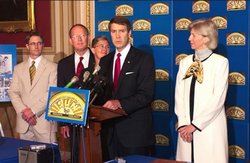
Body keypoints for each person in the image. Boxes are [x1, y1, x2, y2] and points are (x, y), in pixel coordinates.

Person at [99, 16, 155, 160]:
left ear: (129, 33)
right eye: (113, 31)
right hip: (110, 131)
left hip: (134, 132)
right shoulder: (105, 61)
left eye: (121, 31)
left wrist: (120, 103)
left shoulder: (144, 59)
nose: (117, 36)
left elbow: (146, 94)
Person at [174, 19, 229, 163]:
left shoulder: (220, 63)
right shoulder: (185, 62)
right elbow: (179, 95)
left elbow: (218, 98)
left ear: (206, 38)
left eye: (193, 35)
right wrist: (184, 123)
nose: (189, 38)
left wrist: (195, 125)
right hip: (186, 131)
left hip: (209, 128)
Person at [8, 32, 57, 143]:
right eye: (33, 43)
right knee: (27, 157)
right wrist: (24, 112)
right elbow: (13, 92)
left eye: (39, 43)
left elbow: (51, 93)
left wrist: (33, 111)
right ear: (27, 46)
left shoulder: (52, 67)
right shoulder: (18, 68)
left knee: (47, 157)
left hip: (44, 123)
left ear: (43, 45)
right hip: (24, 122)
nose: (36, 46)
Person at [57, 24, 95, 163]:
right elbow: (62, 91)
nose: (79, 39)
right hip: (72, 120)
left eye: (83, 35)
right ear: (70, 40)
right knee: (75, 155)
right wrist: (63, 123)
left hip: (94, 120)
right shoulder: (63, 64)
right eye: (75, 36)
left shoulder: (100, 60)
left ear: (88, 38)